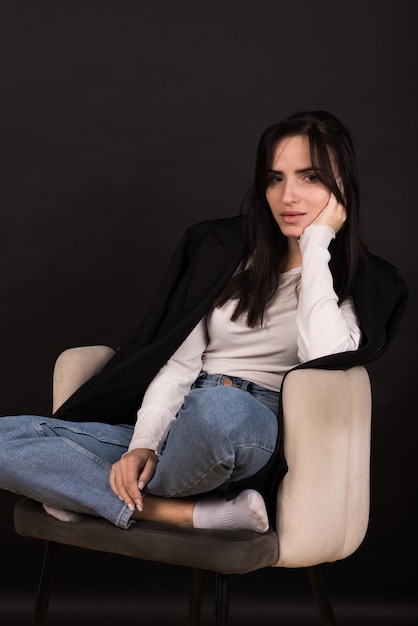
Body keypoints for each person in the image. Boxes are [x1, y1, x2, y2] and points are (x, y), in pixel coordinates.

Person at [0, 110, 408, 534]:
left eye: (310, 177)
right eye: (275, 178)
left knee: (219, 410)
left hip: (251, 423)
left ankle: (74, 489)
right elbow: (178, 364)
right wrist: (144, 445)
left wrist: (318, 243)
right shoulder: (222, 250)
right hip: (183, 417)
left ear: (341, 187)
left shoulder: (366, 281)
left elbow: (323, 361)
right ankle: (184, 513)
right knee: (3, 441)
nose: (288, 196)